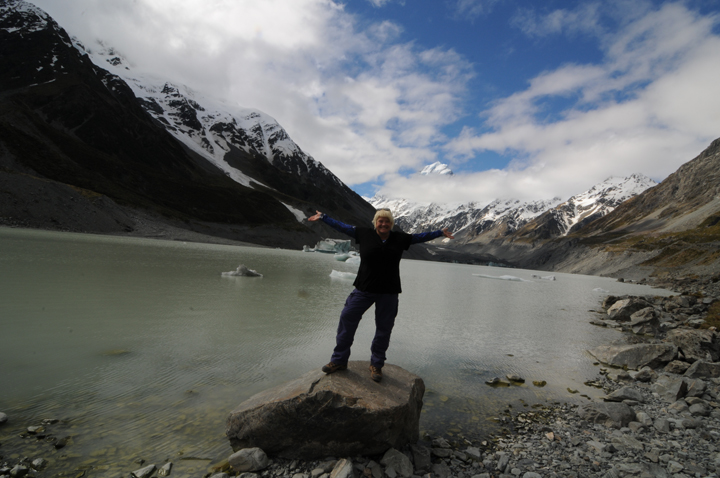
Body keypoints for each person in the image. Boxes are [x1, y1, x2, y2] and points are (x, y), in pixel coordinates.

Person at [308, 208, 454, 382]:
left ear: (391, 224)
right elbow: (342, 227)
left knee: (383, 330)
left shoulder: (400, 238)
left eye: (387, 221)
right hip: (364, 289)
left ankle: (376, 365)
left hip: (389, 292)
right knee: (347, 318)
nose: (383, 224)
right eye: (380, 221)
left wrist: (439, 232)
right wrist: (324, 217)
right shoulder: (364, 234)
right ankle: (339, 360)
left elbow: (418, 237)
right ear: (375, 223)